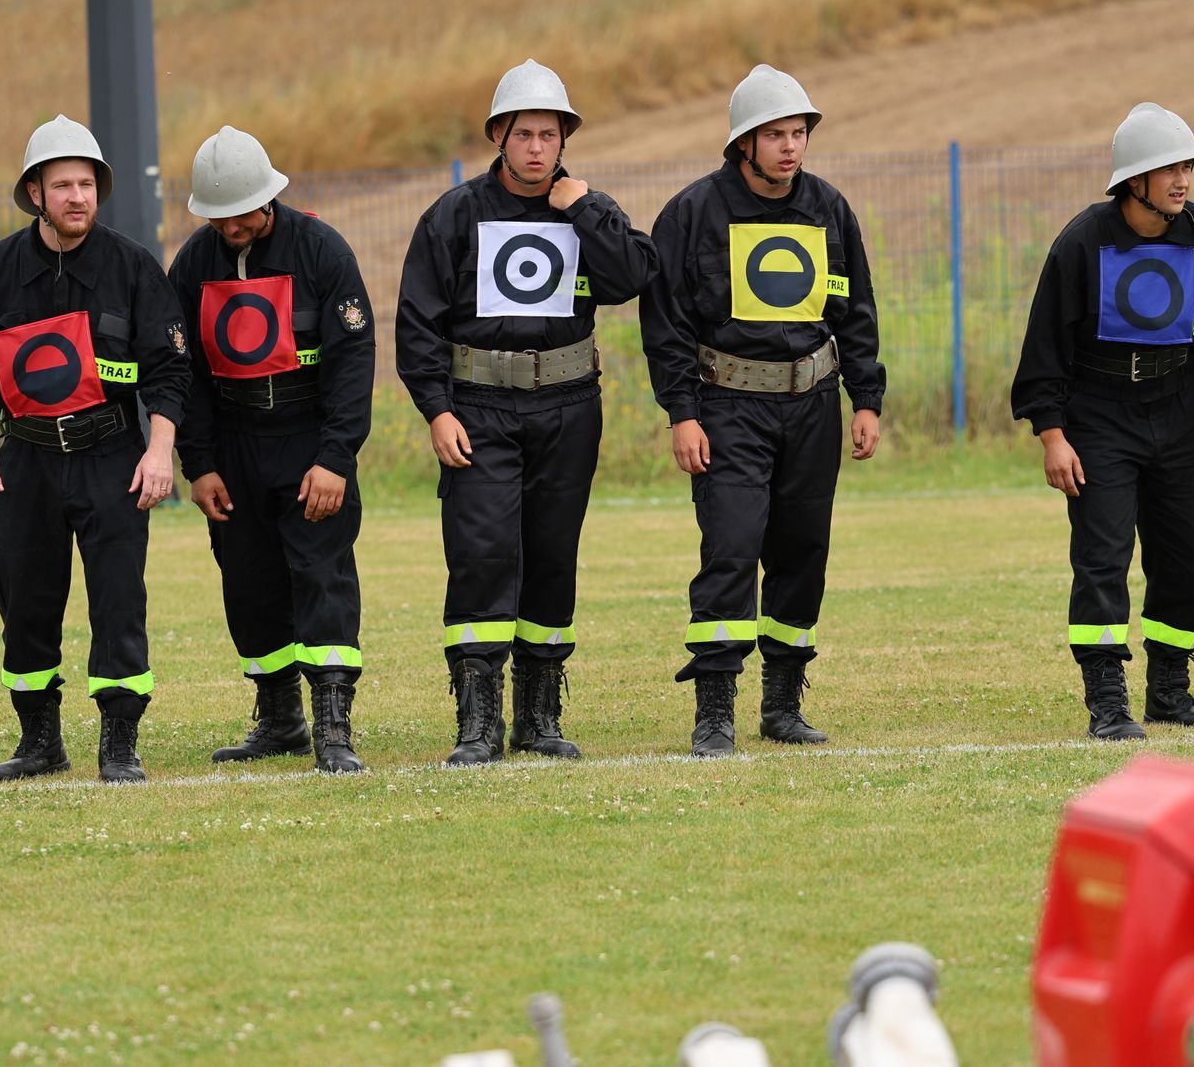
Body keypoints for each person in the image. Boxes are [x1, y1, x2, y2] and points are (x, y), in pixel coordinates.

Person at [396, 59, 658, 765]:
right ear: (498, 137)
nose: (537, 148)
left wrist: (584, 208)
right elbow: (417, 324)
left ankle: (538, 718)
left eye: (549, 134)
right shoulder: (453, 216)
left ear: (564, 139)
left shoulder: (588, 209)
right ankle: (477, 724)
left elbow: (635, 275)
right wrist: (436, 410)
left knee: (551, 557)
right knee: (481, 556)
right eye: (524, 134)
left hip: (569, 408)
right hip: (478, 410)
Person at [639, 64, 885, 758]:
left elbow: (855, 310)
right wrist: (682, 412)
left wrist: (866, 398)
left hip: (813, 406)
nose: (790, 146)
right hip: (726, 407)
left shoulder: (829, 208)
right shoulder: (691, 213)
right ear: (743, 142)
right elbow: (666, 325)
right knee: (732, 546)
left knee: (802, 552)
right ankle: (714, 711)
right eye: (775, 134)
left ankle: (783, 705)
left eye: (798, 133)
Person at [0, 114, 190, 782]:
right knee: (24, 599)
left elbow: (169, 372)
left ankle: (120, 743)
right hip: (25, 461)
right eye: (62, 185)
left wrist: (159, 452)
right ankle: (40, 741)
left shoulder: (132, 267)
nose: (78, 197)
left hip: (112, 456)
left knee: (118, 601)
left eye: (87, 184)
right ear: (35, 193)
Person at [1010, 103, 1194, 740]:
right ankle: (1107, 702)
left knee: (1187, 558)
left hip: (1179, 409)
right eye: (1169, 169)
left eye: (1188, 167)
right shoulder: (1081, 244)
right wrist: (1052, 435)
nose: (1182, 180)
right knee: (1102, 558)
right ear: (1133, 179)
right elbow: (1044, 348)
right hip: (1097, 414)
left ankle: (1169, 692)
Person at [167, 126, 374, 775]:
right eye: (218, 217)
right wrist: (199, 464)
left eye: (242, 213)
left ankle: (333, 726)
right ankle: (281, 719)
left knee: (322, 576)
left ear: (268, 196)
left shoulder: (321, 250)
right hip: (233, 449)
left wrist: (336, 458)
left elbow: (352, 360)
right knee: (249, 584)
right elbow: (184, 373)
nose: (231, 227)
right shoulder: (192, 265)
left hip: (310, 441)